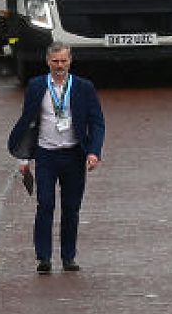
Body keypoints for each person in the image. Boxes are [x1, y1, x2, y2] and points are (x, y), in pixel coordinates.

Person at [8, 44, 105, 273]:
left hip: (73, 154)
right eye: (55, 61)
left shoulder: (84, 87)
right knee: (46, 204)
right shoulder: (36, 86)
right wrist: (23, 158)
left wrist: (93, 152)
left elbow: (97, 122)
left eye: (63, 61)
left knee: (71, 209)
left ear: (70, 61)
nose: (59, 66)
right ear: (47, 61)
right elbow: (28, 123)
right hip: (45, 154)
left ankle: (68, 257)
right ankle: (44, 257)